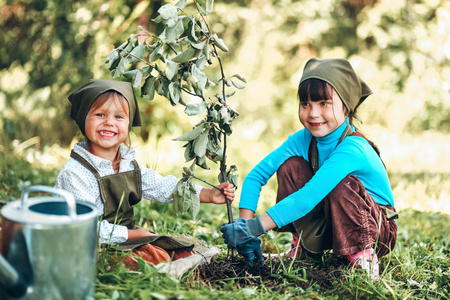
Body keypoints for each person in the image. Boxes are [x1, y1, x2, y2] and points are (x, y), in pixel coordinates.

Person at [221, 57, 397, 280]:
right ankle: (303, 249)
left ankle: (363, 258)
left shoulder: (353, 147)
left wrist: (254, 227)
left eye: (324, 103)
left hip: (377, 229)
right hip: (334, 219)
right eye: (306, 104)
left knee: (341, 184)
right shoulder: (303, 139)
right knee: (291, 167)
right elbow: (256, 176)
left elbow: (307, 197)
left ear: (346, 106)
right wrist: (245, 228)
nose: (313, 113)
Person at [55, 79, 235, 268]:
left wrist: (207, 194)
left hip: (124, 236)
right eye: (100, 114)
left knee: (181, 251)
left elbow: (161, 186)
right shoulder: (76, 172)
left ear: (129, 123)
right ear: (84, 118)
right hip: (86, 242)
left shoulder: (127, 163)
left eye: (118, 117)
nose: (109, 123)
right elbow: (85, 227)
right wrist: (133, 235)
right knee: (154, 258)